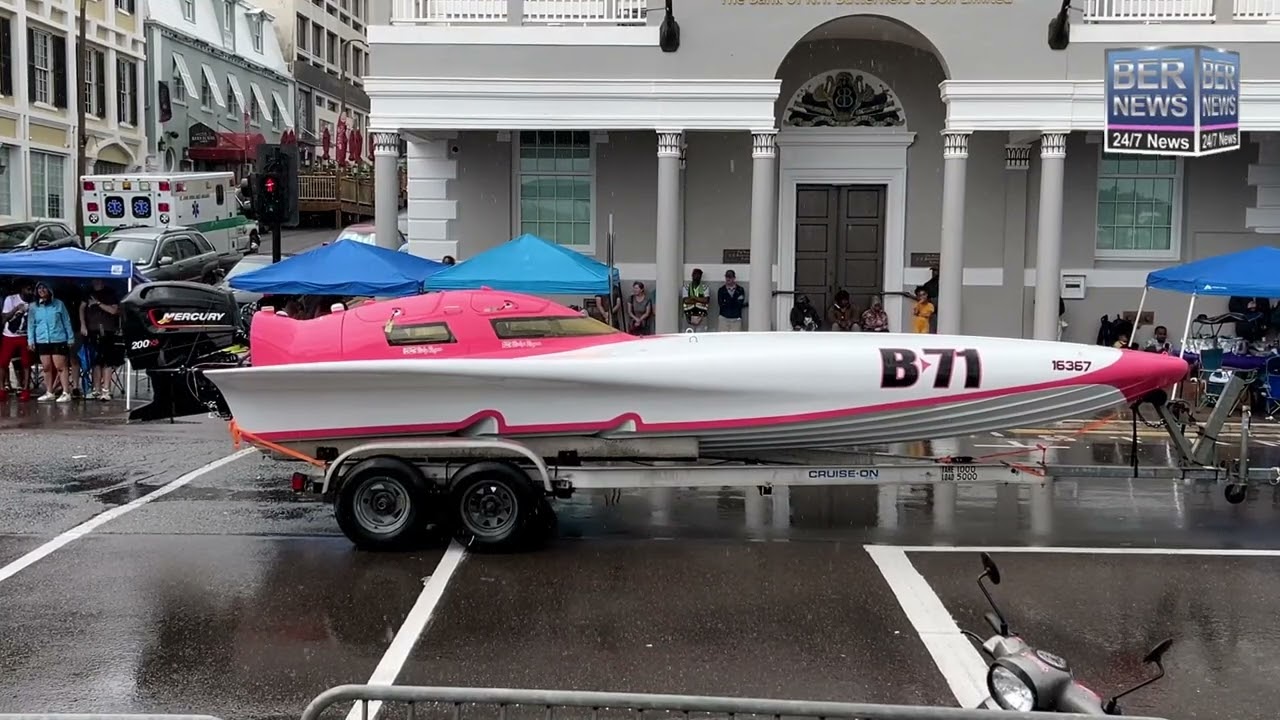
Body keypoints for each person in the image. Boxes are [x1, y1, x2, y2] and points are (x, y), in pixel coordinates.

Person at [26, 280, 74, 402]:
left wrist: (70, 337)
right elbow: (31, 324)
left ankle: (65, 392)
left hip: (58, 338)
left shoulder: (59, 304)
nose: (41, 290)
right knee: (46, 367)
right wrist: (30, 340)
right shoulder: (33, 306)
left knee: (60, 366)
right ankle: (49, 391)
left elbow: (66, 321)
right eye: (39, 288)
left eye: (44, 288)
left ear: (49, 290)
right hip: (42, 339)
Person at [82, 278, 124, 401]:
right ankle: (96, 389)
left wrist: (98, 303)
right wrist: (83, 325)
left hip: (107, 331)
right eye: (94, 280)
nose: (96, 282)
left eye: (98, 281)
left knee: (107, 361)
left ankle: (106, 389)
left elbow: (114, 310)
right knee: (95, 361)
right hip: (92, 331)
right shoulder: (88, 292)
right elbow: (81, 308)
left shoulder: (110, 293)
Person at [0, 279, 35, 401]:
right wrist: (16, 309)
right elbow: (4, 318)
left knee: (26, 363)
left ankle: (25, 389)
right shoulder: (11, 299)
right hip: (9, 335)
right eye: (28, 289)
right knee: (3, 362)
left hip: (25, 336)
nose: (30, 292)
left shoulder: (33, 302)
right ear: (22, 289)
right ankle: (2, 388)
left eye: (32, 289)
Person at [681, 268, 711, 332]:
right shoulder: (686, 287)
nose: (697, 276)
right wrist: (699, 299)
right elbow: (686, 301)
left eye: (699, 275)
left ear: (701, 276)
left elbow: (706, 300)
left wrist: (693, 298)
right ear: (692, 275)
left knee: (701, 337)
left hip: (702, 315)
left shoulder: (705, 287)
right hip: (688, 315)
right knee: (688, 336)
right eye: (695, 274)